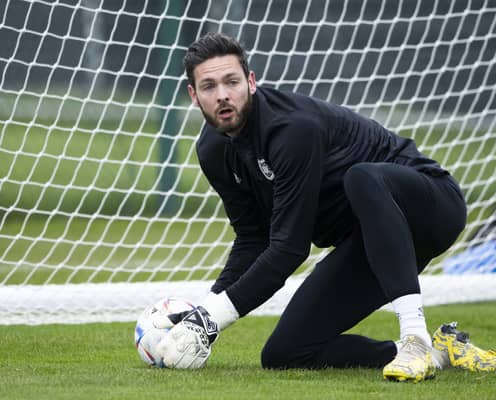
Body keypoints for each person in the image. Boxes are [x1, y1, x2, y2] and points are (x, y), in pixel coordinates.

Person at [156, 32, 468, 382]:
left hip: (431, 208)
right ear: (194, 96)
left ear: (251, 82)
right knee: (285, 353)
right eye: (209, 86)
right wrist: (202, 313)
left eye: (232, 81)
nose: (223, 95)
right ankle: (442, 352)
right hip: (370, 240)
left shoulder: (292, 130)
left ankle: (415, 337)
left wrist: (211, 319)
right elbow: (253, 239)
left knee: (361, 177)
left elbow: (289, 249)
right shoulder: (213, 150)